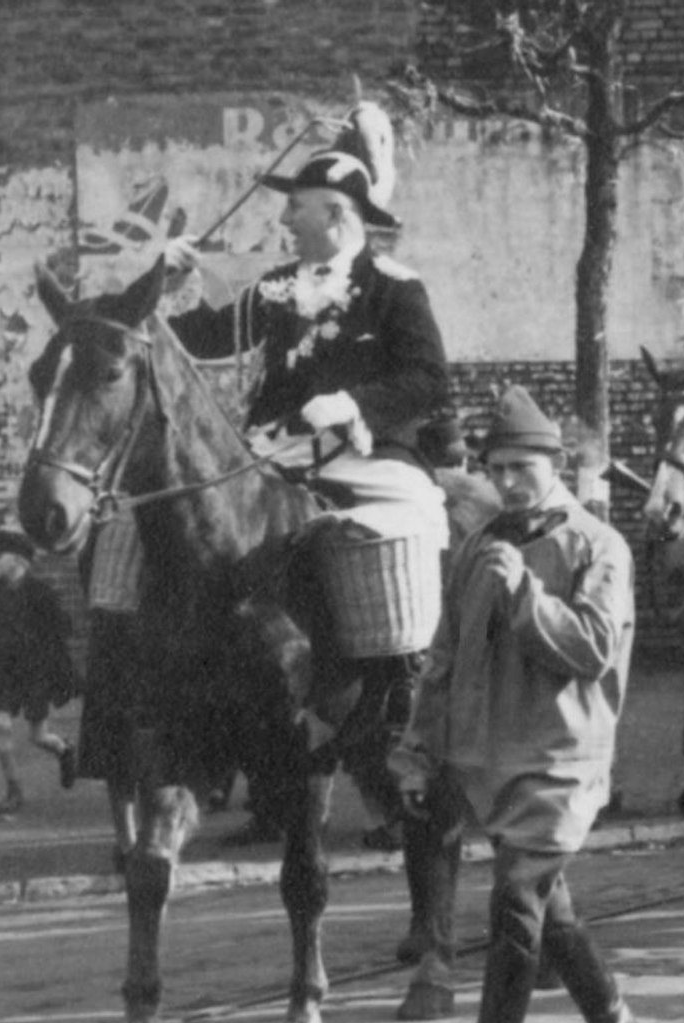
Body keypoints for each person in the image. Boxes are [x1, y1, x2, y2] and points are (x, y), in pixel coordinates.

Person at [159, 102, 450, 843]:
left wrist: (353, 403)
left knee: (407, 519)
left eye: (296, 210)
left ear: (339, 214)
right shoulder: (279, 287)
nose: (285, 223)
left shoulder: (395, 286)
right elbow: (199, 339)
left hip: (370, 457)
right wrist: (167, 283)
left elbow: (426, 382)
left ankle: (401, 677)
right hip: (279, 456)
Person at [391, 387, 638, 1023]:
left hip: (564, 755)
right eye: (494, 468)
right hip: (489, 756)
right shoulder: (477, 544)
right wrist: (416, 748)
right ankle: (612, 1018)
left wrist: (524, 592)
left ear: (554, 463)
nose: (505, 482)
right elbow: (441, 655)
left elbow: (593, 648)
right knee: (547, 910)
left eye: (520, 467)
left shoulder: (599, 545)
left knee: (514, 902)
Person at [0, 530, 79, 816]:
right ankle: (14, 791)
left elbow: (62, 628)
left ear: (19, 560)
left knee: (37, 736)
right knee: (1, 726)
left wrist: (54, 666)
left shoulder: (40, 592)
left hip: (34, 671)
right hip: (4, 671)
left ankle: (64, 750)